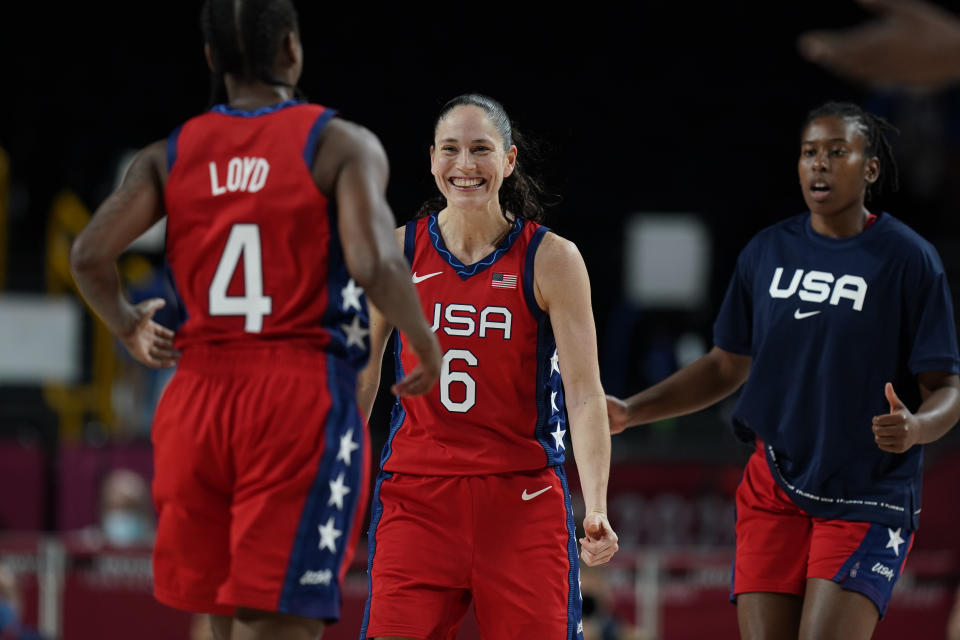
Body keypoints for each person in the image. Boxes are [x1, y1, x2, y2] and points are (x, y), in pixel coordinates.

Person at [69, 1, 441, 639]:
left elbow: (88, 254)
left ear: (212, 59)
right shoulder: (337, 144)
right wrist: (424, 344)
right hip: (293, 397)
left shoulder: (169, 154)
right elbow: (377, 262)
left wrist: (127, 323)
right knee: (278, 626)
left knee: (218, 624)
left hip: (196, 398)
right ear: (292, 51)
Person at [606, 101, 960, 639]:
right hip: (776, 484)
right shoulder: (768, 251)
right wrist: (633, 411)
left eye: (837, 152)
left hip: (867, 493)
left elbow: (948, 388)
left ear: (870, 168)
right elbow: (726, 365)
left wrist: (917, 428)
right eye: (809, 153)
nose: (819, 164)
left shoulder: (908, 260)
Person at [355, 94, 618, 640]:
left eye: (481, 149)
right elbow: (361, 374)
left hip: (521, 502)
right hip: (419, 497)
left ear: (510, 160)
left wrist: (595, 504)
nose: (465, 165)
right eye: (450, 149)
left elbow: (585, 393)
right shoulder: (396, 253)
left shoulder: (553, 259)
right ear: (431, 159)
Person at [797, 0, 960, 89]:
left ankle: (829, 49)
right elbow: (918, 12)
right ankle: (829, 49)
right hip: (900, 43)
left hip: (901, 57)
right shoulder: (948, 32)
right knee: (855, 49)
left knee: (854, 54)